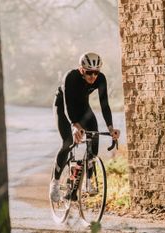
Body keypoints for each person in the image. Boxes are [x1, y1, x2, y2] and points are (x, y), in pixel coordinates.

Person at [50, 52, 120, 202]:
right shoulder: (70, 77)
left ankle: (88, 181)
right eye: (89, 73)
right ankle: (55, 183)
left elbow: (104, 105)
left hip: (83, 107)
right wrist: (75, 125)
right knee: (68, 142)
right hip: (63, 107)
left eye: (96, 72)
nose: (93, 77)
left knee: (93, 137)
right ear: (81, 69)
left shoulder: (100, 79)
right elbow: (68, 106)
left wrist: (110, 128)